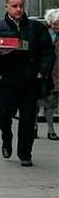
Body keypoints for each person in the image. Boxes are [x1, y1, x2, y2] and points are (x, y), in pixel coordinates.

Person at [0, 0, 55, 167]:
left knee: (28, 118)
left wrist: (42, 72)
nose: (18, 9)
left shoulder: (36, 28)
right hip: (6, 80)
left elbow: (47, 51)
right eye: (14, 6)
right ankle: (6, 137)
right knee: (3, 114)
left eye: (21, 6)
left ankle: (25, 153)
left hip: (29, 80)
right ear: (6, 6)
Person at [44, 8, 59, 141]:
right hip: (44, 75)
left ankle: (51, 130)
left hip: (56, 75)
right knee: (38, 103)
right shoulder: (44, 36)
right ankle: (34, 127)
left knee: (51, 104)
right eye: (56, 24)